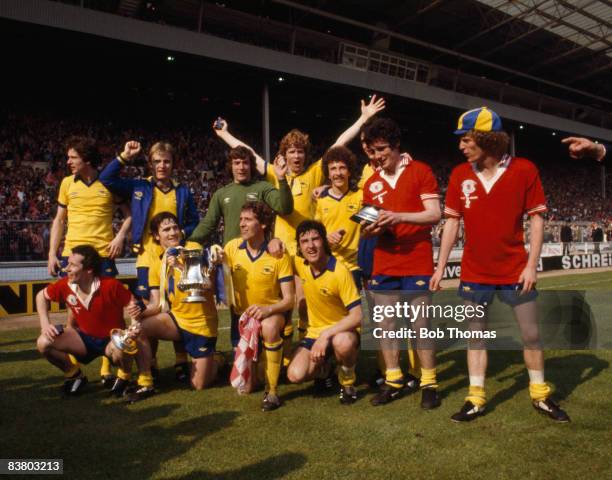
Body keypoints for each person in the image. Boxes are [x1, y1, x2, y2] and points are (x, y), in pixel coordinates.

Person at [214, 96, 385, 363]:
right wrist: (225, 134)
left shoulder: (315, 174)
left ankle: (318, 355)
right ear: (284, 155)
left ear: (306, 154)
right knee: (284, 307)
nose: (296, 156)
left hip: (308, 251)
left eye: (300, 151)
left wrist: (363, 119)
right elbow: (250, 154)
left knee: (306, 306)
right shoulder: (275, 174)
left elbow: (338, 144)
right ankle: (281, 357)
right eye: (291, 151)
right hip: (280, 252)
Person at [430, 106, 570, 423]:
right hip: (475, 272)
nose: (460, 146)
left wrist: (532, 265)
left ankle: (540, 394)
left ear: (487, 140)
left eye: (466, 140)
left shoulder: (524, 170)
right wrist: (439, 267)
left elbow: (537, 221)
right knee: (476, 334)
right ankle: (476, 398)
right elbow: (451, 223)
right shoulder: (459, 174)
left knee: (531, 334)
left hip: (515, 269)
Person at [100, 141, 200, 381]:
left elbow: (195, 220)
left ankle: (180, 361)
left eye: (166, 161)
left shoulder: (183, 190)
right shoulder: (140, 186)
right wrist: (124, 157)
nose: (162, 166)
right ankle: (151, 361)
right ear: (150, 164)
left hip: (176, 256)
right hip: (147, 257)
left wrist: (183, 234)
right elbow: (107, 178)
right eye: (157, 161)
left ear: (173, 164)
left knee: (178, 306)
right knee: (147, 310)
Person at [361, 117, 442, 410]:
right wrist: (371, 227)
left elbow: (434, 213)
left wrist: (398, 216)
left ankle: (429, 383)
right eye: (372, 151)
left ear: (396, 146)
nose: (378, 156)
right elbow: (371, 224)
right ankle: (393, 381)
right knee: (386, 325)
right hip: (384, 259)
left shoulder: (421, 171)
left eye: (382, 149)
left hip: (416, 257)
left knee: (421, 324)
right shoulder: (371, 184)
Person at [47, 136, 132, 388]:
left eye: (72, 157)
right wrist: (52, 253)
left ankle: (109, 362)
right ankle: (74, 363)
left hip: (102, 255)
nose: (68, 161)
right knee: (73, 309)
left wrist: (119, 236)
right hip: (72, 256)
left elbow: (129, 215)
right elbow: (59, 220)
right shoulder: (66, 184)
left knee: (111, 309)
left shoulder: (108, 183)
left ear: (86, 159)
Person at [36, 245, 150, 396]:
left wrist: (133, 328)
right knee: (44, 342)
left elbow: (132, 304)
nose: (66, 268)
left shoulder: (110, 285)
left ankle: (125, 376)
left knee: (124, 343)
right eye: (67, 263)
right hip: (84, 339)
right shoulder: (65, 284)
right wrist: (45, 324)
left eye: (72, 265)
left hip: (111, 341)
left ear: (89, 269)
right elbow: (41, 296)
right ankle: (74, 375)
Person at [135, 212, 223, 393]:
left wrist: (179, 266)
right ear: (156, 236)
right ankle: (146, 379)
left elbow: (205, 286)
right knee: (141, 327)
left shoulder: (193, 248)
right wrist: (138, 311)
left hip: (201, 323)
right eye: (166, 229)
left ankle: (218, 360)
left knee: (198, 385)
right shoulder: (157, 263)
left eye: (175, 227)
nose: (173, 232)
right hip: (177, 319)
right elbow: (157, 303)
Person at [223, 202, 295, 411]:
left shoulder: (278, 254)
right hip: (242, 320)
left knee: (270, 327)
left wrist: (267, 310)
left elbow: (289, 300)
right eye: (241, 220)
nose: (242, 224)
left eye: (248, 220)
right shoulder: (231, 248)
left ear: (262, 224)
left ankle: (272, 391)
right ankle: (266, 363)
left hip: (273, 314)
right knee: (245, 387)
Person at [287, 221, 362, 405]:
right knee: (295, 375)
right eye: (304, 241)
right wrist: (274, 242)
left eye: (315, 239)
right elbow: (278, 252)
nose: (310, 246)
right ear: (299, 246)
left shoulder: (340, 271)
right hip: (315, 333)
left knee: (342, 343)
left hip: (342, 332)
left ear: (324, 241)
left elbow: (358, 315)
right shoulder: (300, 263)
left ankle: (348, 380)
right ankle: (326, 368)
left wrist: (326, 335)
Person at [188, 145, 293, 247]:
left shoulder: (263, 188)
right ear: (231, 166)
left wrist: (281, 179)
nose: (241, 167)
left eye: (245, 163)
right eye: (237, 163)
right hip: (230, 257)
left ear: (251, 165)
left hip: (259, 255)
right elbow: (208, 225)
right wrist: (189, 242)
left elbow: (285, 208)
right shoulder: (221, 194)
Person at [314, 146, 363, 288]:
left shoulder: (360, 196)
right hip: (328, 265)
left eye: (342, 168)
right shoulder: (321, 201)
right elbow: (316, 234)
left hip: (353, 267)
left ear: (349, 172)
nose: (338, 173)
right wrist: (326, 237)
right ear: (328, 174)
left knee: (354, 310)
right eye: (333, 169)